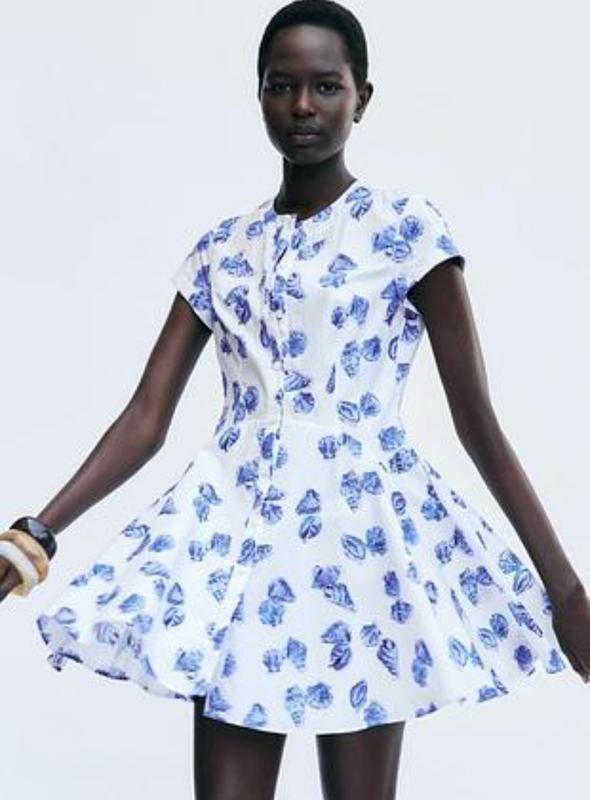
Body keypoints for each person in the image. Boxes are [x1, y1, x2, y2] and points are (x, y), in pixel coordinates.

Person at [2, 2, 590, 798]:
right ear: (259, 95)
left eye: (326, 86)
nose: (303, 106)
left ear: (361, 97)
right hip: (236, 545)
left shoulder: (405, 232)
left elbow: (475, 419)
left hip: (363, 546)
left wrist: (566, 591)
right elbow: (145, 418)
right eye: (282, 86)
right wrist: (33, 536)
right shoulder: (221, 251)